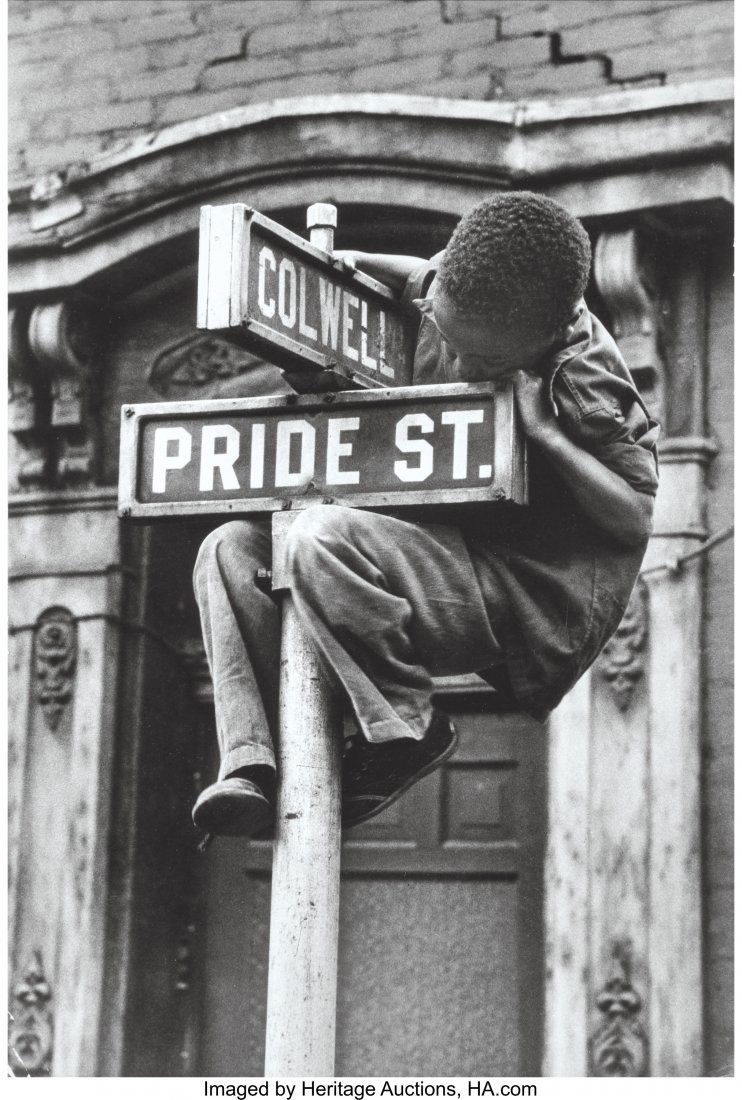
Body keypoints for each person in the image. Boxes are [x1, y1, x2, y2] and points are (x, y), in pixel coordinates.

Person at [191, 191, 659, 839]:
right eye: (450, 334)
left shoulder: (584, 379)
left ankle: (407, 731)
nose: (462, 366)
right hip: (434, 539)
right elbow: (419, 276)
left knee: (320, 537)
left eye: (487, 362)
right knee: (229, 549)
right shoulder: (463, 287)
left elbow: (634, 515)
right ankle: (251, 764)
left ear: (544, 337)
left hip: (517, 592)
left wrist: (548, 436)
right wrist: (332, 273)